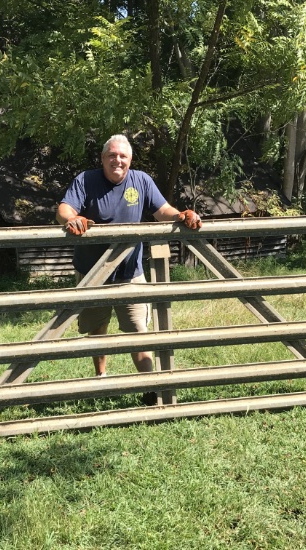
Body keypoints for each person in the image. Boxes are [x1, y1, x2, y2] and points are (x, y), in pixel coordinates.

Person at [56, 134, 201, 402]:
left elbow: (163, 211)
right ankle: (101, 378)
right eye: (112, 155)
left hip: (130, 272)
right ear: (102, 159)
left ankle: (150, 387)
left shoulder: (141, 180)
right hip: (92, 272)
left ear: (130, 160)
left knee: (138, 330)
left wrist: (182, 216)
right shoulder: (86, 180)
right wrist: (73, 219)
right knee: (97, 329)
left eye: (122, 156)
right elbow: (64, 208)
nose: (117, 160)